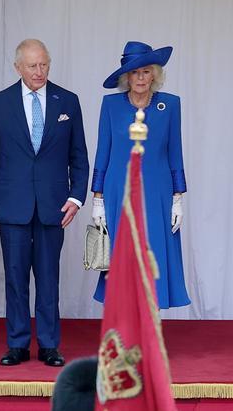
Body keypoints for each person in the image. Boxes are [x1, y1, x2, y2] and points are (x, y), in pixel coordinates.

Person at [0, 40, 88, 368]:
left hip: (53, 206)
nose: (39, 71)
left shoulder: (67, 100)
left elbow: (79, 155)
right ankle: (16, 344)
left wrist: (76, 197)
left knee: (48, 277)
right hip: (11, 204)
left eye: (44, 64)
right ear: (18, 67)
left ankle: (49, 344)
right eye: (32, 66)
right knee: (14, 277)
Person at [91, 41, 189, 308]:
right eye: (135, 72)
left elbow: (175, 151)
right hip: (117, 192)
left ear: (155, 74)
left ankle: (148, 331)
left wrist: (178, 197)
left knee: (153, 256)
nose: (141, 78)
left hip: (158, 193)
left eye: (146, 71)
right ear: (126, 76)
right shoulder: (111, 105)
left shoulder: (170, 105)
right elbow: (103, 151)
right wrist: (97, 199)